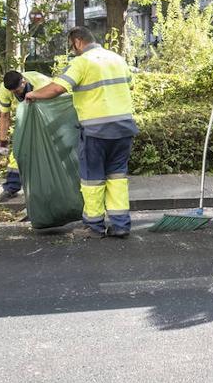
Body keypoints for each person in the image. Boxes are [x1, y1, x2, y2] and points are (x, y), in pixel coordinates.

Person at [26, 28, 138, 238]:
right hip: (124, 128)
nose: (72, 50)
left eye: (71, 46)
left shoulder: (82, 62)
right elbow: (128, 86)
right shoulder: (117, 59)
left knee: (92, 178)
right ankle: (121, 224)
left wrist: (33, 94)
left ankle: (94, 226)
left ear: (77, 42)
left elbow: (57, 88)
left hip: (97, 131)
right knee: (117, 177)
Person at [0, 69, 53, 203]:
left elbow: (54, 102)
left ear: (23, 82)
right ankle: (11, 188)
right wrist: (2, 142)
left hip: (46, 117)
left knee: (44, 154)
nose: (15, 94)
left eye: (17, 91)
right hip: (24, 119)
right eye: (12, 92)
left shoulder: (41, 83)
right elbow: (5, 115)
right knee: (17, 152)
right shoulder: (6, 89)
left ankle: (47, 189)